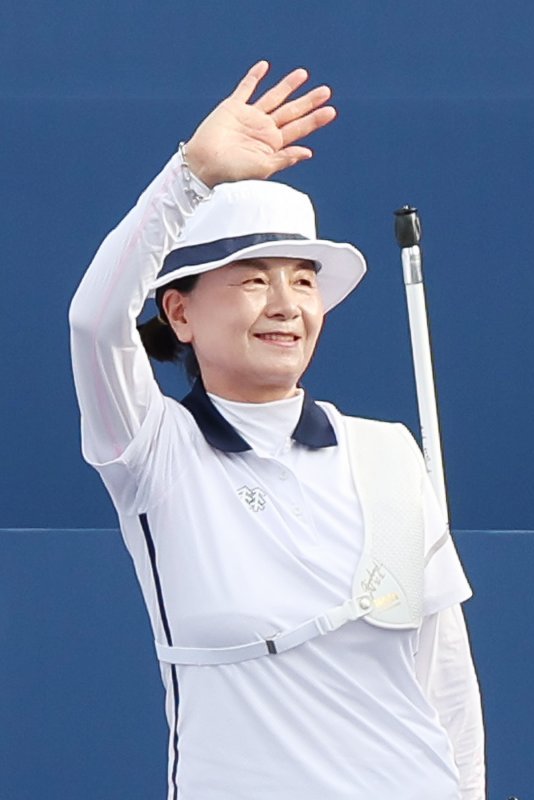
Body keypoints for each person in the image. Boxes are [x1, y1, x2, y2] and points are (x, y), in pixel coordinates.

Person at [68, 62, 484, 799]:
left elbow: (443, 672)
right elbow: (95, 323)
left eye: (302, 279)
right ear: (181, 313)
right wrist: (190, 174)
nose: (286, 303)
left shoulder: (388, 451)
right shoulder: (154, 451)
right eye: (254, 279)